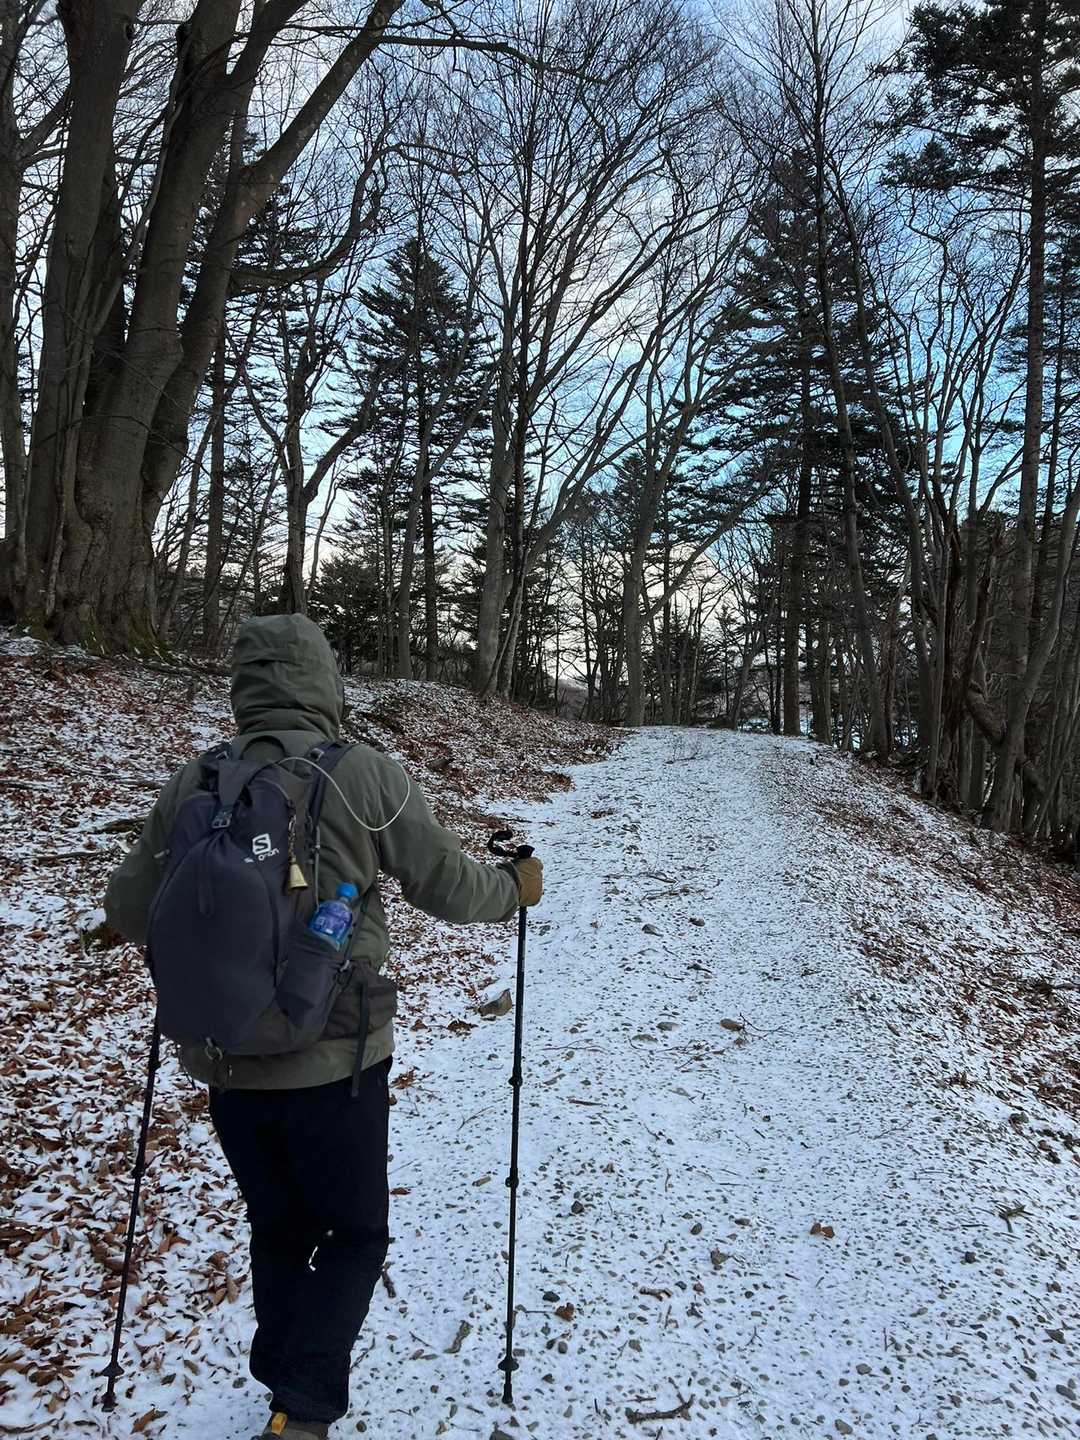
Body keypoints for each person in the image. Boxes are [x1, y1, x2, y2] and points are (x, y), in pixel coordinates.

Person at [104, 614, 543, 1440]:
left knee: (278, 1224)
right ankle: (302, 1409)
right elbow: (447, 887)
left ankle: (282, 1374)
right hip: (336, 1061)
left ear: (243, 686)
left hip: (226, 1059)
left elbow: (128, 908)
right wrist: (515, 887)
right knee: (356, 1233)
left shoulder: (196, 781)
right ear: (324, 682)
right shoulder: (362, 774)